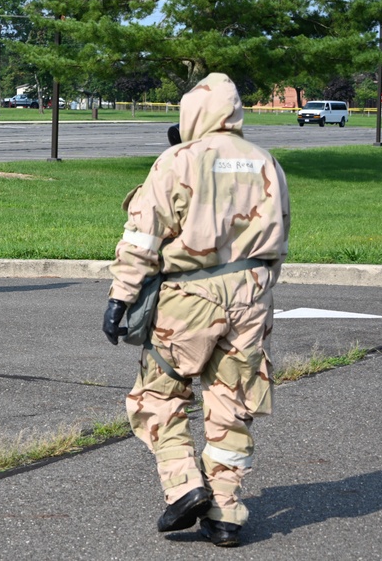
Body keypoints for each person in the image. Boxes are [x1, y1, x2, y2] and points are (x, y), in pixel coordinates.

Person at [101, 73, 290, 547]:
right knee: (232, 403)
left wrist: (120, 296)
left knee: (159, 395)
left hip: (188, 296)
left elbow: (143, 237)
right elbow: (279, 239)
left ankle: (185, 486)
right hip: (252, 293)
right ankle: (226, 512)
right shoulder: (266, 163)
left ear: (193, 114)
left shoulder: (177, 161)